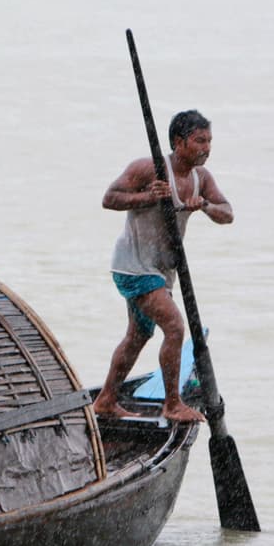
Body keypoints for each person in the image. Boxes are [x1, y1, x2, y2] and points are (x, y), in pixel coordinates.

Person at [91, 110, 233, 423]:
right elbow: (109, 198)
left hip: (161, 271)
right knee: (175, 327)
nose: (206, 148)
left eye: (209, 141)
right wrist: (147, 196)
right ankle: (172, 404)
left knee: (138, 336)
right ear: (178, 142)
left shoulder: (201, 178)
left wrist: (204, 205)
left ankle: (106, 400)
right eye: (199, 141)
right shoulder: (149, 168)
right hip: (134, 267)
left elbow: (227, 213)